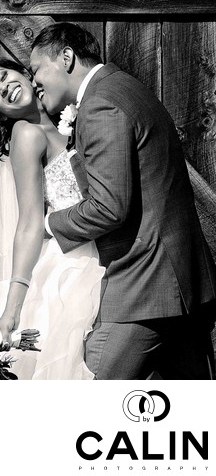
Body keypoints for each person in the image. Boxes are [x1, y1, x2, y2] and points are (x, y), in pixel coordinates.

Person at [27, 22, 216, 380]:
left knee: (91, 393)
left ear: (66, 57)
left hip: (144, 284)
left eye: (36, 70)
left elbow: (108, 207)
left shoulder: (100, 104)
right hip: (178, 279)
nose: (34, 81)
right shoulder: (123, 87)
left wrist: (49, 224)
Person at [0, 56, 105, 379]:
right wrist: (12, 312)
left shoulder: (65, 119)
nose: (3, 89)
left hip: (102, 248)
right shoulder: (27, 136)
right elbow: (30, 223)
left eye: (2, 77)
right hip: (73, 266)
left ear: (23, 73)